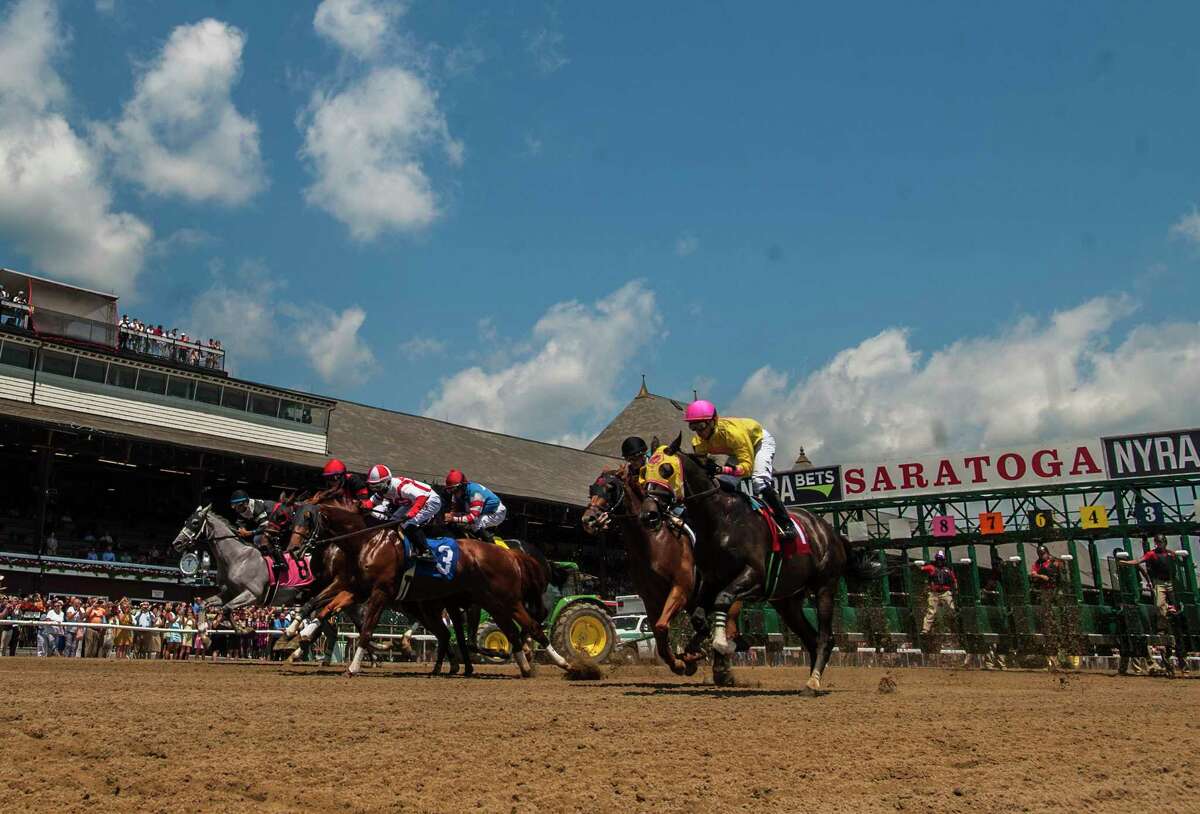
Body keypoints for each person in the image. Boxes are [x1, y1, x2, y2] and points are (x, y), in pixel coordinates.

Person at [685, 399, 795, 539]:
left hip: (759, 443)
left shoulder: (733, 433)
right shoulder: (698, 442)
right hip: (736, 452)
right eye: (693, 427)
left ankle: (786, 522)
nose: (698, 432)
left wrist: (720, 469)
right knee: (722, 485)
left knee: (759, 482)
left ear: (713, 421)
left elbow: (747, 468)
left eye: (700, 426)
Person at [364, 464, 441, 560]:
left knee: (407, 523)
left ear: (387, 481)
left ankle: (426, 551)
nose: (376, 490)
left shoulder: (402, 487)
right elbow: (372, 502)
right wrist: (362, 508)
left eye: (378, 486)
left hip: (430, 500)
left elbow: (422, 497)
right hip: (411, 502)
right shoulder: (384, 489)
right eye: (372, 487)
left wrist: (410, 514)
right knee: (392, 522)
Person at [1120, 535, 1177, 627]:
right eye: (1157, 542)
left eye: (1161, 542)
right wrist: (1127, 562)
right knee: (1159, 605)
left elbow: (1177, 564)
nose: (1159, 544)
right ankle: (1164, 619)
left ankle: (1172, 608)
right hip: (1159, 583)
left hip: (1171, 582)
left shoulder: (1171, 553)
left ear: (1165, 543)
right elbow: (1139, 560)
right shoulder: (1151, 554)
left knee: (1177, 601)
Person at [230, 490, 286, 579]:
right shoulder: (243, 509)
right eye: (234, 507)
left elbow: (264, 526)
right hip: (269, 522)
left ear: (245, 504)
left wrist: (249, 533)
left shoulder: (257, 507)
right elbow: (240, 521)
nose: (236, 509)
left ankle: (280, 562)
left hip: (279, 517)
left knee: (258, 538)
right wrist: (242, 529)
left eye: (237, 506)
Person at [442, 469, 506, 542]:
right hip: (481, 510)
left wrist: (453, 519)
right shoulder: (459, 492)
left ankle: (491, 545)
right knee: (461, 520)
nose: (452, 492)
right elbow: (455, 510)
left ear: (462, 486)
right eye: (450, 490)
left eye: (454, 490)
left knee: (475, 524)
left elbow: (472, 518)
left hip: (496, 512)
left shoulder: (475, 493)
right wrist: (451, 514)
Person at [919, 551, 958, 636]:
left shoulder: (948, 570)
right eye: (938, 559)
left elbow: (954, 581)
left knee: (952, 608)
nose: (939, 561)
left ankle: (955, 628)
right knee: (931, 611)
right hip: (934, 593)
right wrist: (920, 565)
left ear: (944, 560)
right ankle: (925, 630)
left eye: (941, 559)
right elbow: (922, 568)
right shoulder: (931, 568)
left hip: (946, 593)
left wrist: (955, 590)